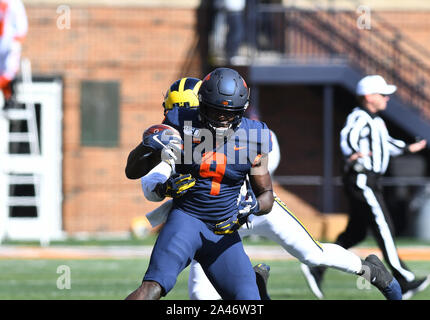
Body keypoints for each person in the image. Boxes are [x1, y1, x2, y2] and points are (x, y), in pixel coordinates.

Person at [135, 74, 403, 300]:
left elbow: (264, 172)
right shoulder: (176, 132)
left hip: (253, 207)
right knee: (201, 295)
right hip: (209, 218)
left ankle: (369, 270)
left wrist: (242, 180)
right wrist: (167, 185)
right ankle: (254, 284)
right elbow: (150, 182)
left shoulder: (246, 132)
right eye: (176, 112)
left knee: (313, 253)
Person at [125, 68, 275, 300]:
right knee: (152, 288)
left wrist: (252, 206)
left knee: (249, 301)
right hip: (186, 222)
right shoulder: (180, 121)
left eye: (228, 113)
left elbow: (266, 194)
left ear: (241, 111)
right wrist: (147, 145)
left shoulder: (254, 136)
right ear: (201, 103)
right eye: (215, 111)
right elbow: (132, 171)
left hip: (224, 230)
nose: (221, 119)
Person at [302, 75, 430, 300]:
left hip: (371, 182)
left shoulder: (377, 121)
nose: (387, 98)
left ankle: (317, 264)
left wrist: (409, 148)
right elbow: (347, 137)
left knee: (356, 233)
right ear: (369, 96)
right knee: (384, 226)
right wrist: (353, 153)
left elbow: (387, 144)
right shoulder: (359, 117)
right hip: (362, 180)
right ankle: (404, 278)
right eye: (383, 94)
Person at [0, 0, 28, 110]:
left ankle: (10, 98)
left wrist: (15, 41)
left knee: (9, 71)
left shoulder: (15, 4)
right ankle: (8, 97)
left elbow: (22, 26)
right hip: (2, 43)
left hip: (10, 43)